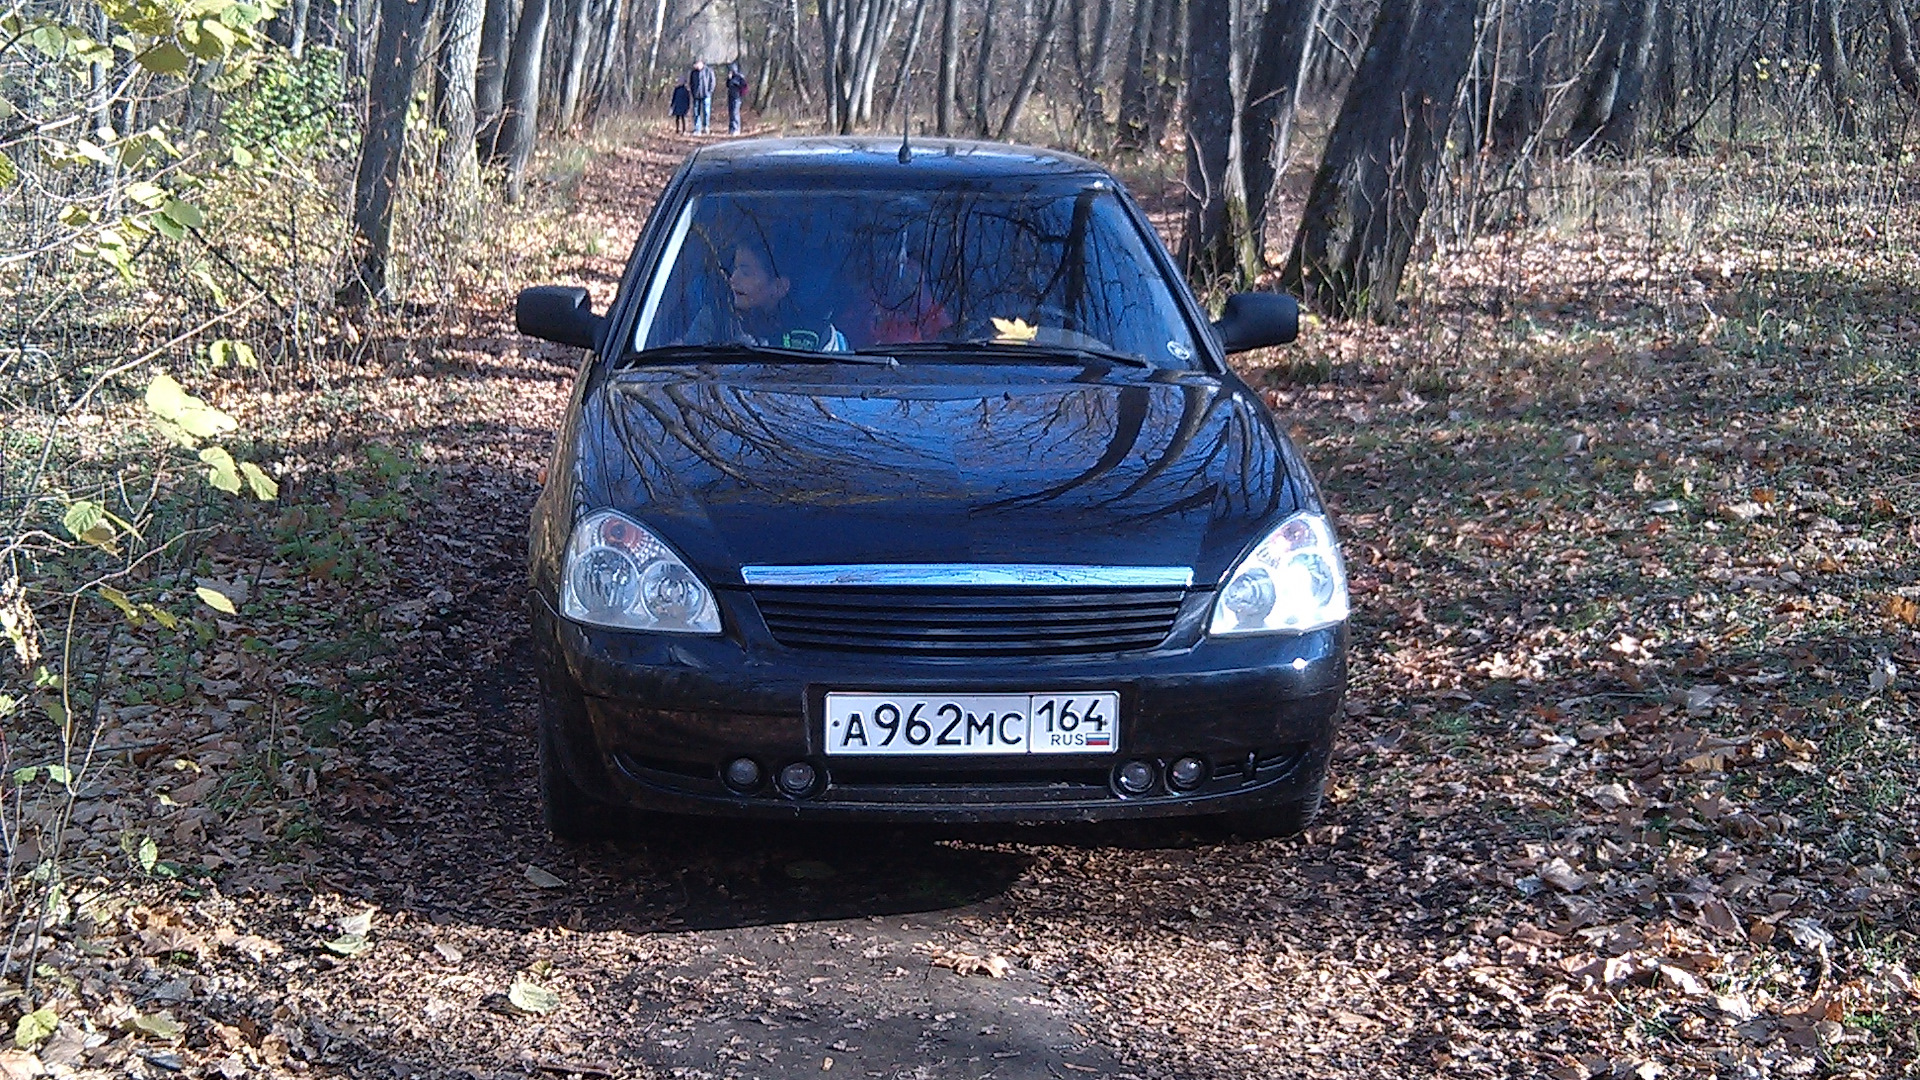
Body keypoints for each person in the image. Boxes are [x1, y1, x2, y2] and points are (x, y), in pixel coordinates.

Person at [721, 235, 846, 351]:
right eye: (735, 268)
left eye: (746, 273)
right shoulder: (717, 321)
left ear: (779, 287)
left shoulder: (819, 336)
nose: (733, 279)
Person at [687, 60, 714, 134]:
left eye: (696, 64)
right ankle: (697, 128)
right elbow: (691, 83)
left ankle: (706, 127)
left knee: (706, 111)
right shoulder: (693, 72)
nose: (695, 66)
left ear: (700, 63)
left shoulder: (708, 71)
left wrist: (709, 91)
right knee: (696, 112)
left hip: (706, 95)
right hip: (696, 95)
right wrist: (693, 92)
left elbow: (712, 82)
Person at [725, 63, 749, 135]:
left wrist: (740, 92)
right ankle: (731, 128)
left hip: (737, 97)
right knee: (731, 113)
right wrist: (729, 79)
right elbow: (727, 85)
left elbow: (744, 87)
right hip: (731, 96)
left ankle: (736, 129)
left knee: (735, 113)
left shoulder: (739, 77)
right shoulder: (731, 78)